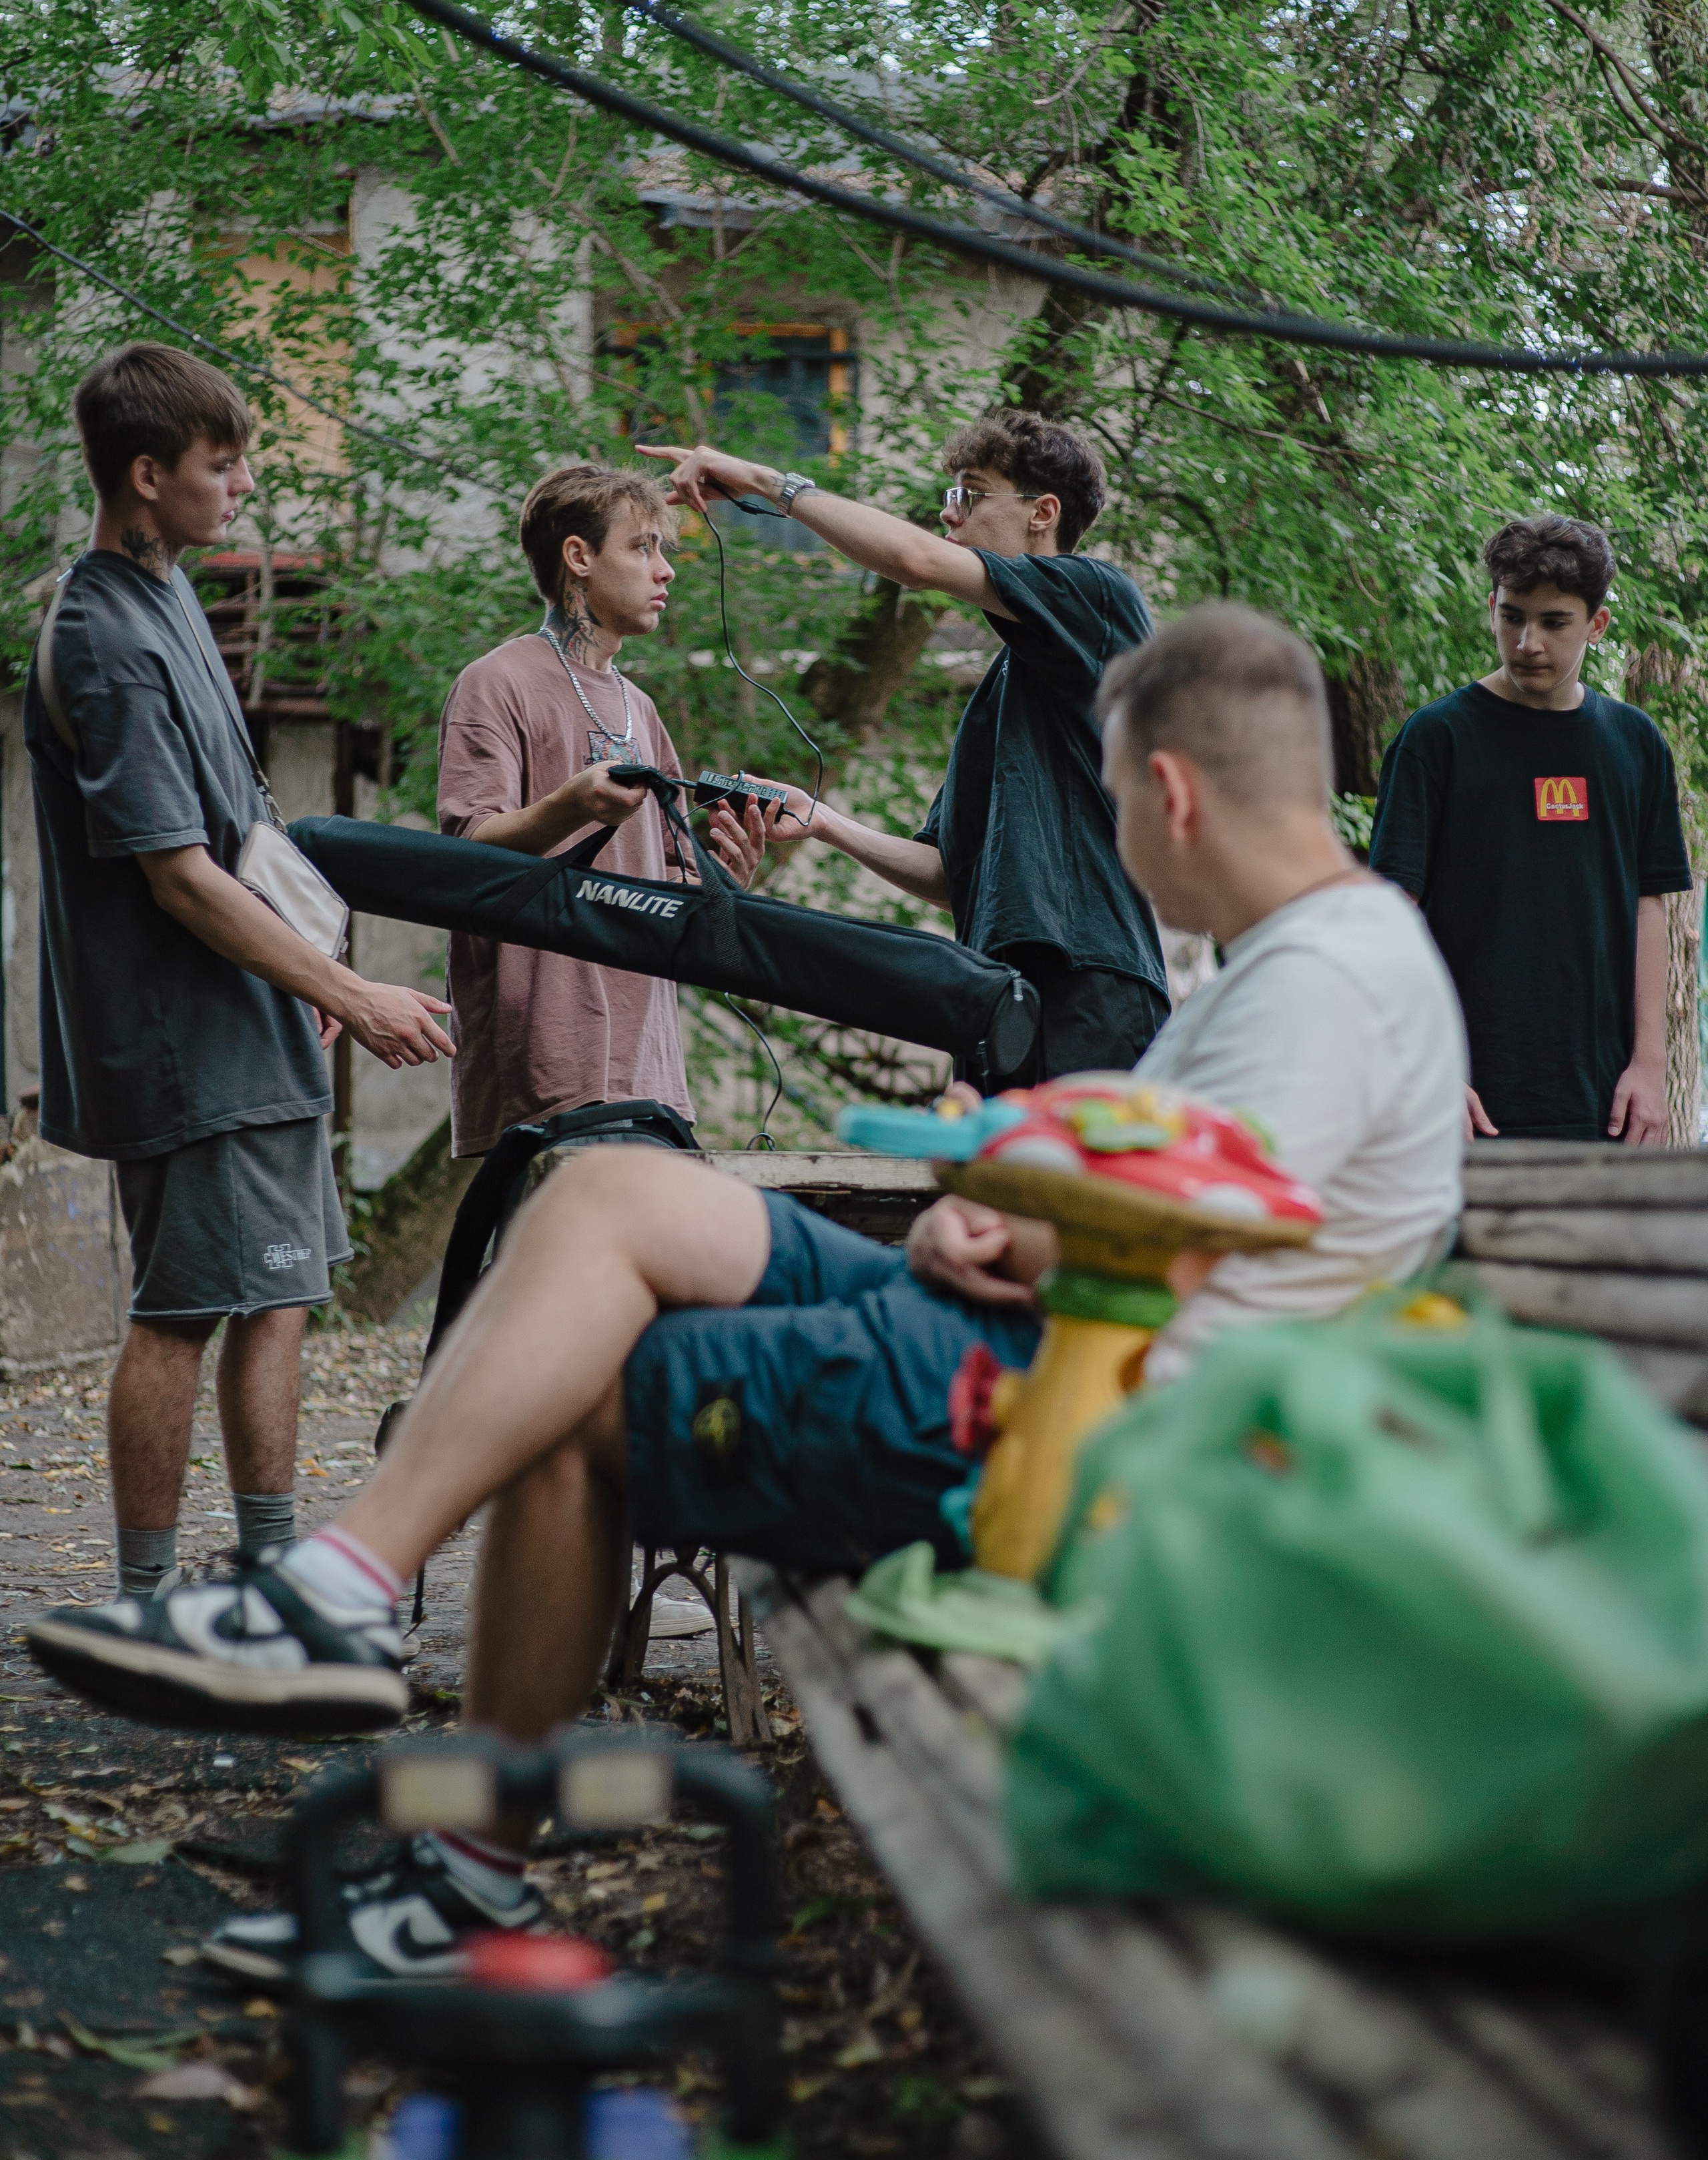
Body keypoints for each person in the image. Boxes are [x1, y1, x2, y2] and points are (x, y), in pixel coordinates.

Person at [29, 602, 1467, 1978]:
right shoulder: (1281, 960)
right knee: (603, 1185)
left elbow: (1195, 1231)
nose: (1118, 842)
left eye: (1112, 806)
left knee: (579, 1400)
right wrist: (1002, 1201)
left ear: (1171, 788)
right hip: (1031, 1332)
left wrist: (1026, 1226)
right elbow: (1174, 1181)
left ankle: (451, 1840)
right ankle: (344, 1592)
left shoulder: (1322, 984)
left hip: (1071, 1425)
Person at [24, 341, 455, 1603]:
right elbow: (177, 874)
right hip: (182, 1038)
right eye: (226, 464)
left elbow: (239, 837)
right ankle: (147, 1604)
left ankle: (267, 1569)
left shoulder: (168, 594)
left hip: (247, 1018)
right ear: (148, 474)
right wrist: (351, 992)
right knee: (181, 1311)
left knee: (279, 1296)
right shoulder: (104, 634)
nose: (248, 484)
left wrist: (301, 972)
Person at [638, 409, 1171, 1087]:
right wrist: (822, 820)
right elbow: (950, 874)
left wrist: (765, 481)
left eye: (969, 494)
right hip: (996, 994)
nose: (949, 516)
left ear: (1043, 512)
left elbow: (914, 560)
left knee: (1073, 1192)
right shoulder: (1002, 689)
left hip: (1093, 985)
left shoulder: (1098, 598)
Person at [438, 465, 763, 1157]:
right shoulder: (495, 683)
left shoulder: (639, 707)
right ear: (579, 558)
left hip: (646, 1066)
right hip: (546, 1057)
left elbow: (675, 892)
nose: (665, 570)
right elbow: (467, 850)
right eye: (643, 547)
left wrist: (726, 873)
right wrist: (570, 804)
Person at [1369, 515, 1693, 1143]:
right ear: (1491, 607)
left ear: (1596, 625)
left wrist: (1651, 1066)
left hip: (1606, 1101)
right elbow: (1390, 916)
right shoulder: (1436, 739)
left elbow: (1649, 907)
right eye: (1512, 617)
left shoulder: (1637, 743)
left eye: (1553, 623)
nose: (1527, 643)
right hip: (1462, 1102)